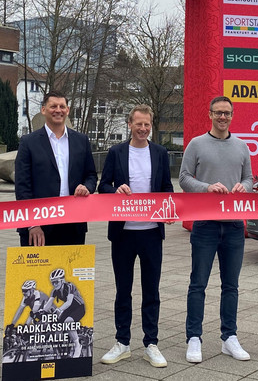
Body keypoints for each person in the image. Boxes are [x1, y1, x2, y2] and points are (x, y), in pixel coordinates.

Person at [97, 105, 173, 368]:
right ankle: (122, 342)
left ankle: (151, 343)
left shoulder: (160, 153)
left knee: (151, 290)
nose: (143, 129)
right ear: (129, 124)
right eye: (138, 124)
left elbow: (167, 190)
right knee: (123, 290)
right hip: (123, 233)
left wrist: (170, 210)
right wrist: (115, 189)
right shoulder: (117, 152)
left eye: (147, 125)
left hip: (151, 232)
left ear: (151, 125)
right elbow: (102, 186)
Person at [178, 96, 253, 363]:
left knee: (231, 285)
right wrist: (207, 188)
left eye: (227, 113)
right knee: (198, 283)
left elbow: (249, 178)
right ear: (210, 114)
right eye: (218, 113)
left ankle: (229, 337)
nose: (223, 117)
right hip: (205, 224)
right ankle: (194, 337)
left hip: (234, 225)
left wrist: (246, 186)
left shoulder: (242, 146)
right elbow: (184, 178)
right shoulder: (196, 144)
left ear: (233, 115)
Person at [14, 90, 97, 246]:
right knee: (36, 271)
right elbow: (23, 186)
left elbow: (91, 175)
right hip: (39, 227)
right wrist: (32, 223)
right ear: (43, 110)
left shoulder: (81, 140)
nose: (58, 110)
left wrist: (87, 187)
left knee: (71, 271)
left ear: (68, 110)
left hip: (73, 224)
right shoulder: (28, 142)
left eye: (62, 106)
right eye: (53, 106)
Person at [45, 268, 86, 358]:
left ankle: (77, 345)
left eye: (56, 282)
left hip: (79, 307)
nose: (54, 284)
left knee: (67, 322)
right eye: (53, 282)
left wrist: (59, 309)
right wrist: (41, 311)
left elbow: (69, 302)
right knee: (57, 328)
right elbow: (48, 303)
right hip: (68, 309)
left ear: (62, 280)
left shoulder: (70, 286)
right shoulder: (54, 291)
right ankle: (63, 351)